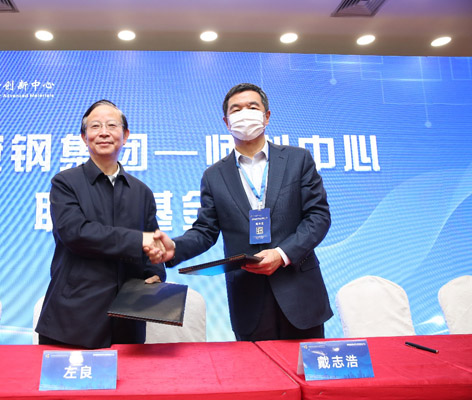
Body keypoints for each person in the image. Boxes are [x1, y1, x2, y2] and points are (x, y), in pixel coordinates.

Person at [145, 83, 333, 341]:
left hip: (300, 293)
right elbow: (205, 231)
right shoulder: (214, 176)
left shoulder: (298, 159)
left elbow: (318, 217)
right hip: (248, 299)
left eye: (252, 107)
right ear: (226, 121)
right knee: (256, 368)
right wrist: (175, 248)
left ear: (267, 116)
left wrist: (282, 254)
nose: (245, 113)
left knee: (309, 367)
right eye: (236, 109)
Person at [36, 99, 165, 348]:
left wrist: (155, 273)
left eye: (112, 125)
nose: (104, 132)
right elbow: (76, 233)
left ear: (125, 136)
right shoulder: (65, 183)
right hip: (73, 319)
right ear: (84, 137)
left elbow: (153, 244)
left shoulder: (142, 192)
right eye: (95, 126)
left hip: (127, 320)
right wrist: (139, 240)